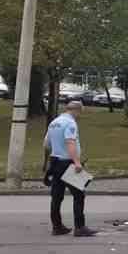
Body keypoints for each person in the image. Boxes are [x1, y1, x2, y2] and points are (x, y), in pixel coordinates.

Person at [44, 101, 97, 237]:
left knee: (57, 196)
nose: (79, 116)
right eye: (80, 113)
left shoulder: (54, 123)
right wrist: (77, 162)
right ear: (76, 110)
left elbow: (46, 144)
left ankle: (57, 226)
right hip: (67, 163)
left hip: (55, 162)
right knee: (79, 194)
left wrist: (51, 157)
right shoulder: (70, 123)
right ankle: (80, 227)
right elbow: (70, 142)